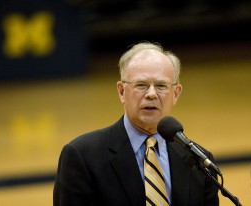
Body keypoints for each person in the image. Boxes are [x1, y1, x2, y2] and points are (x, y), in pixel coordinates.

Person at [53, 42, 219, 206]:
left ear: (175, 94)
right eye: (141, 85)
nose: (151, 94)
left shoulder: (200, 163)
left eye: (161, 86)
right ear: (121, 91)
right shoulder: (82, 157)